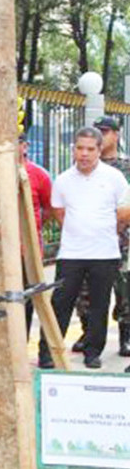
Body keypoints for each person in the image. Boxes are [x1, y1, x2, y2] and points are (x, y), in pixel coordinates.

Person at [38, 126, 128, 370]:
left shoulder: (114, 178)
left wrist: (110, 229)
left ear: (100, 150)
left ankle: (93, 352)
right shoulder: (64, 180)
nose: (84, 154)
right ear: (74, 150)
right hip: (71, 254)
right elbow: (59, 212)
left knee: (99, 306)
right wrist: (79, 230)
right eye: (80, 148)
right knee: (60, 304)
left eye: (90, 149)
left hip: (105, 253)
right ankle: (48, 352)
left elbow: (125, 210)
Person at [72, 116, 130, 357]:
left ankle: (126, 336)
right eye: (97, 131)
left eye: (105, 132)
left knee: (125, 291)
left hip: (122, 241)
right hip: (91, 241)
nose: (101, 135)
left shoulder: (126, 168)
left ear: (116, 135)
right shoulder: (82, 168)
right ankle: (89, 333)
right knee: (85, 292)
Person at [18, 132, 52, 336]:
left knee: (27, 297)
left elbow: (49, 209)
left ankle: (22, 340)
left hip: (28, 249)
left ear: (24, 146)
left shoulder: (39, 175)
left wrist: (32, 228)